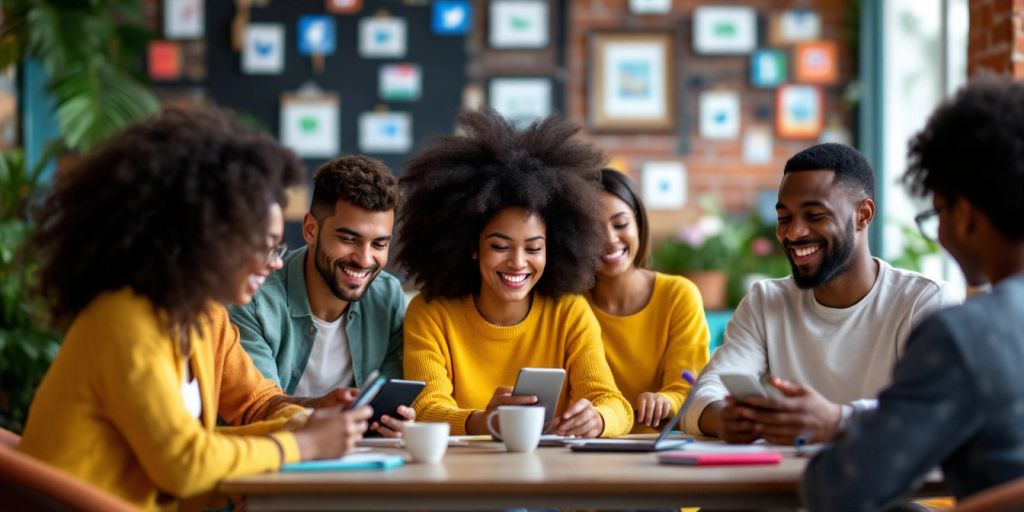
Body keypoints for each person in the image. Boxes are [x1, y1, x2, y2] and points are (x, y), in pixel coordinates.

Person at [18, 106, 372, 511]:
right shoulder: (123, 319)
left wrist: (309, 424)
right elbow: (184, 465)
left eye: (276, 247)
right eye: (261, 245)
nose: (275, 261)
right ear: (204, 237)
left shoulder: (204, 318)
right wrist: (302, 444)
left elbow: (234, 420)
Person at [803, 76, 1024, 510]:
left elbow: (840, 489)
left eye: (935, 212)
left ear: (964, 214)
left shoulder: (966, 336)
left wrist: (845, 428)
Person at [681, 142, 959, 444]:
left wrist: (836, 421)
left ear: (863, 215)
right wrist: (723, 418)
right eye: (784, 218)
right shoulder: (765, 301)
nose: (793, 232)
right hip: (782, 485)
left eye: (814, 215)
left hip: (896, 489)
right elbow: (707, 390)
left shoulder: (924, 301)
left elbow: (935, 408)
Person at [398, 108, 633, 437]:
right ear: (472, 246)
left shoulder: (569, 312)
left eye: (534, 248)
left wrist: (599, 419)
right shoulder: (431, 314)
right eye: (500, 246)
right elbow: (424, 408)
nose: (518, 263)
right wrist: (486, 420)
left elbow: (614, 403)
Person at [231, 155, 413, 437]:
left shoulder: (387, 296)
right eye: (348, 239)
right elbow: (254, 408)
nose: (365, 259)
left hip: (361, 463)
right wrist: (317, 408)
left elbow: (387, 401)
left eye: (379, 244)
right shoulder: (253, 298)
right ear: (310, 229)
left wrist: (395, 420)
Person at [586, 169, 710, 432]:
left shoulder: (678, 295)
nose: (610, 239)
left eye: (621, 224)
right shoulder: (570, 304)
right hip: (585, 448)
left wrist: (665, 400)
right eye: (594, 230)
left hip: (657, 452)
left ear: (639, 225)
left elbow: (688, 385)